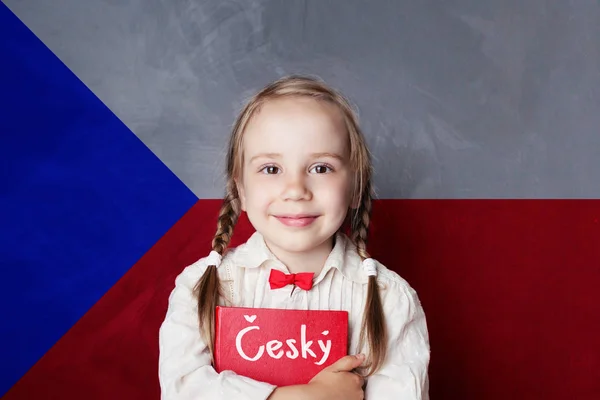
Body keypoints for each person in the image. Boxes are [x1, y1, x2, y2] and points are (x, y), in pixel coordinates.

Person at [158, 75, 430, 400]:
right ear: (240, 189)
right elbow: (183, 390)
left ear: (356, 187)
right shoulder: (201, 286)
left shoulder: (391, 300)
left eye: (321, 168)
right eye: (271, 169)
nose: (296, 190)